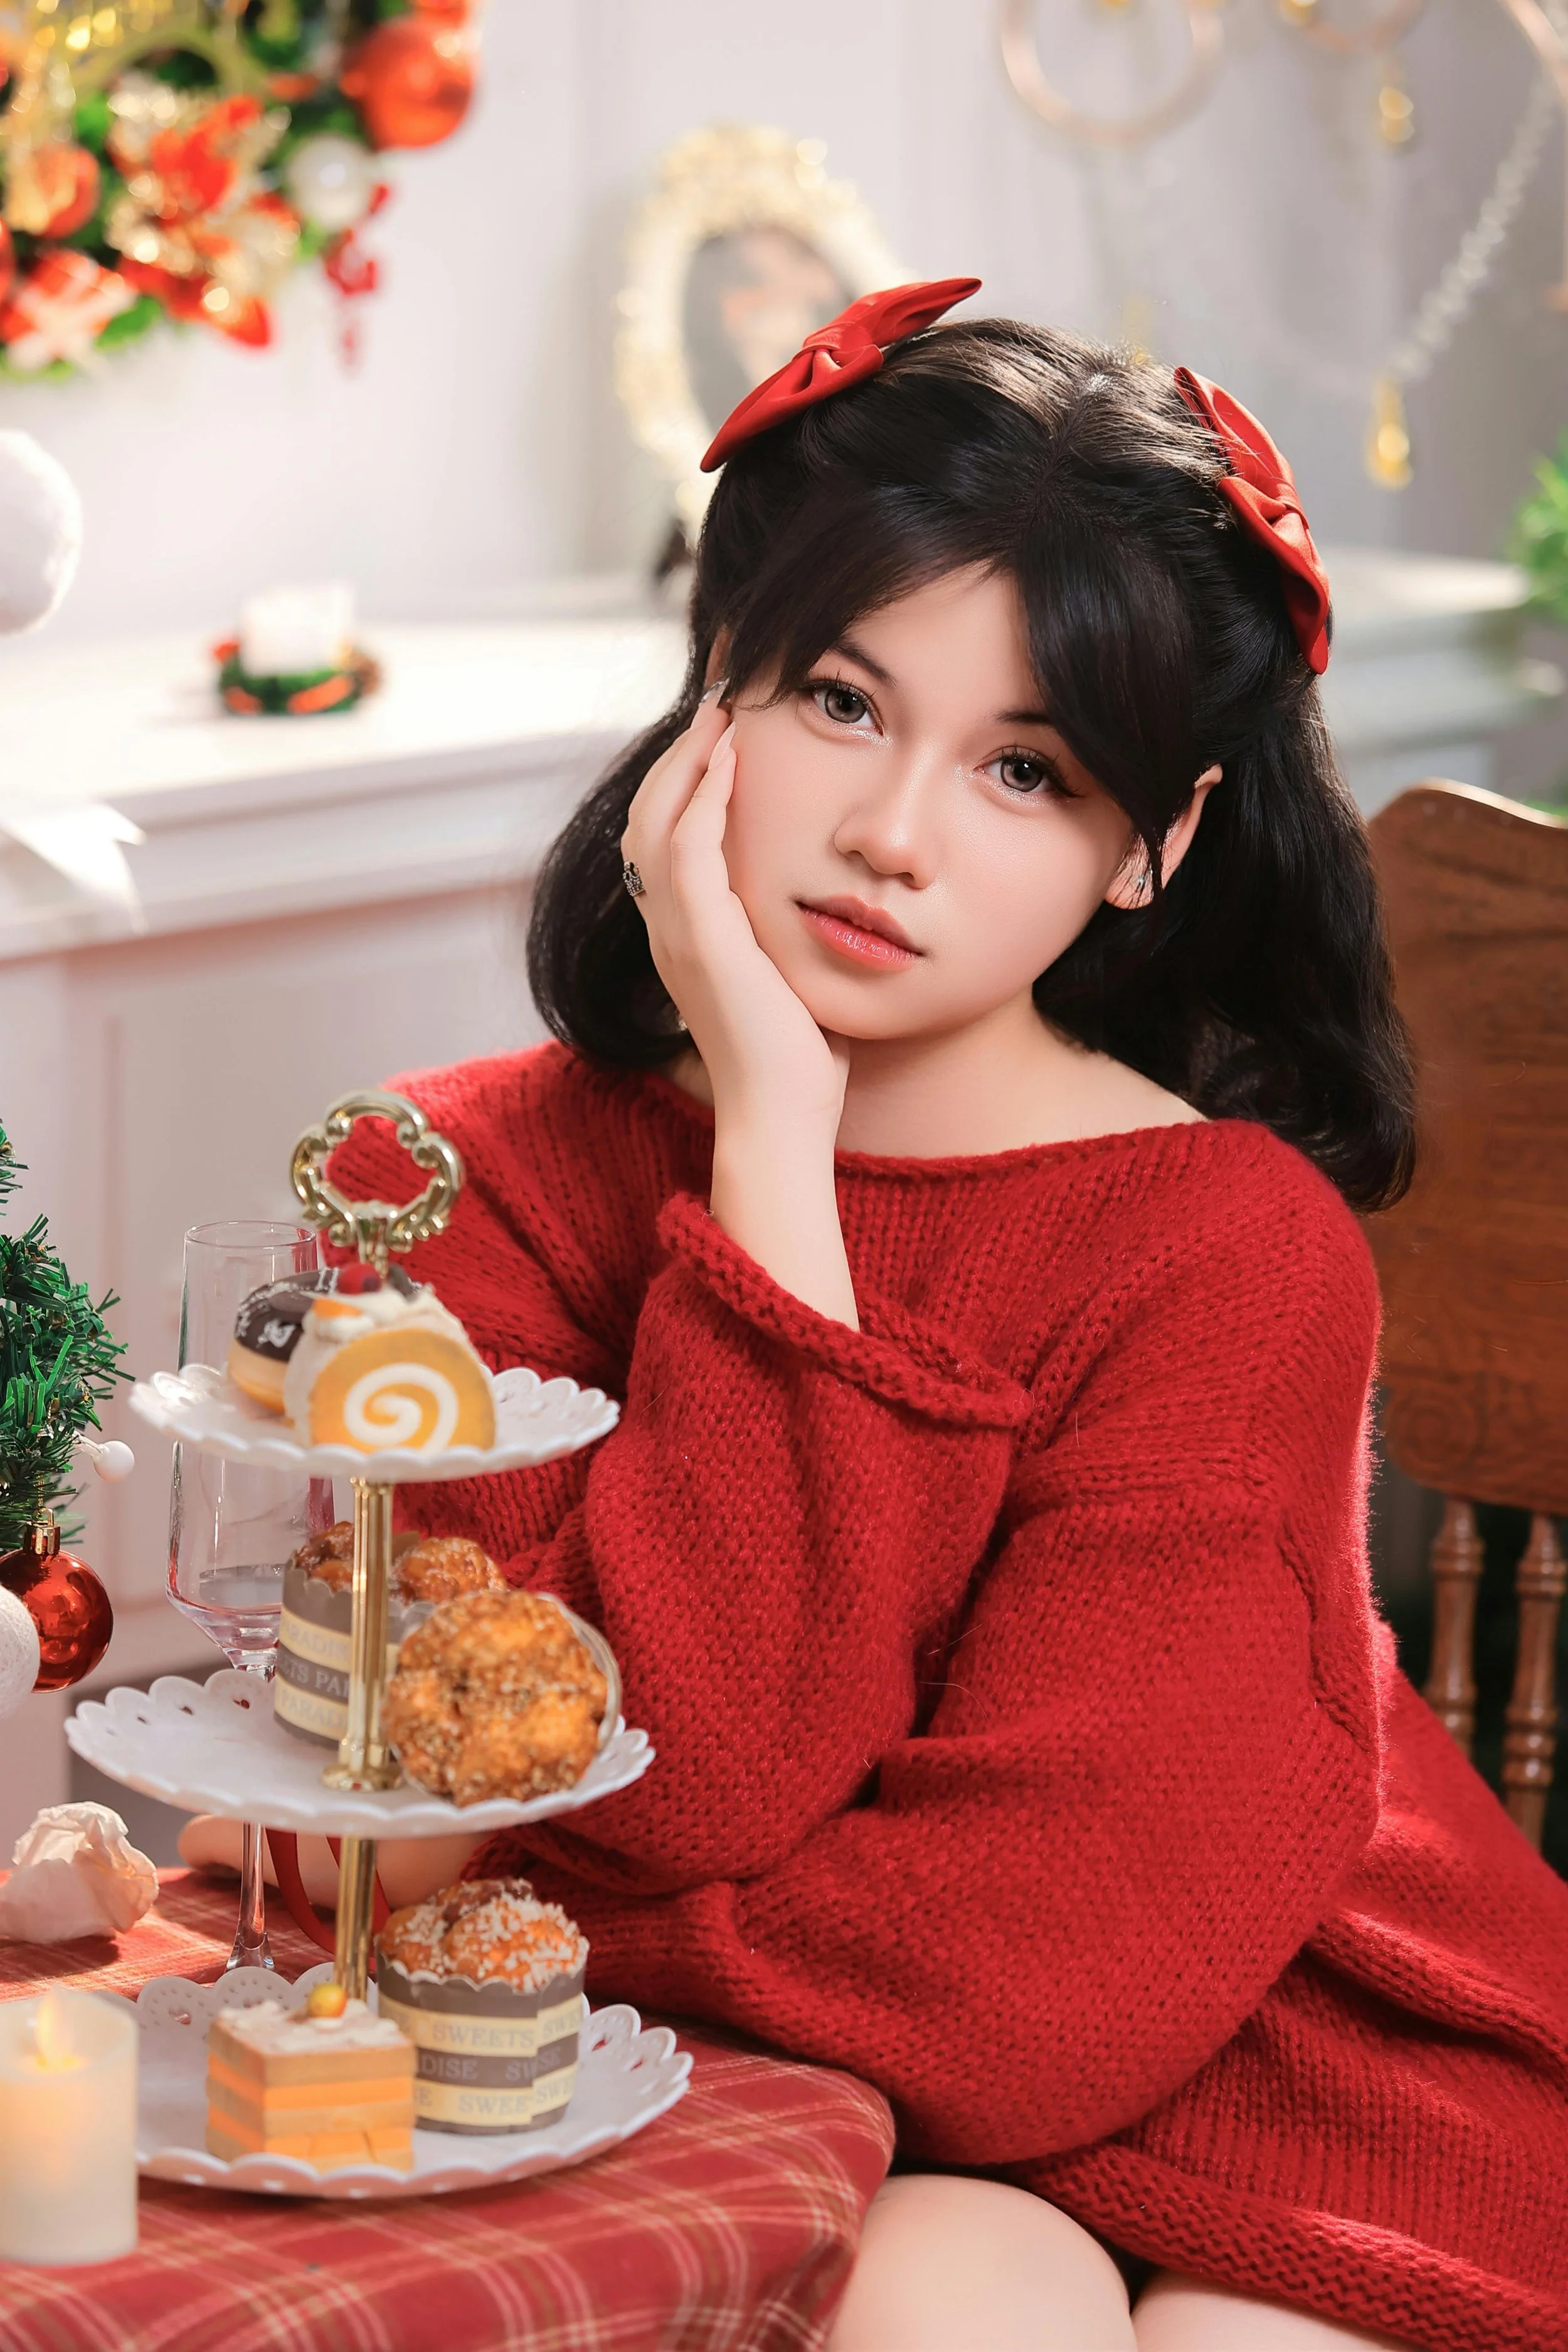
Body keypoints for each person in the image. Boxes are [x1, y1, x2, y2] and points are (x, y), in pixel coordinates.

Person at [255, 285, 1568, 2349]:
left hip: (1303, 2066)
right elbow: (604, 1795)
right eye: (842, 703)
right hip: (774, 2093)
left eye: (1028, 770)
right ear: (717, 688)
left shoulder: (1225, 1242)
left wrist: (546, 1899)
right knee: (930, 2304)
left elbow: (1051, 1965)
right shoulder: (452, 1180)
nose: (891, 836)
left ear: (1160, 844)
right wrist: (776, 1140)